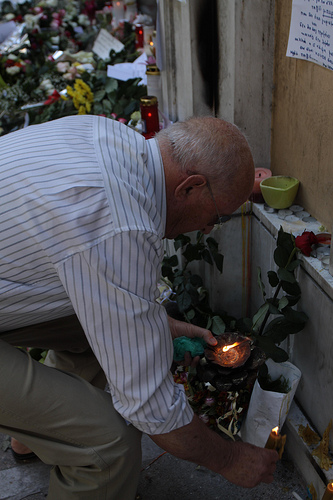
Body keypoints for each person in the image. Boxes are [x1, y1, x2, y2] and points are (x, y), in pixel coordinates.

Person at [0, 115, 278, 499]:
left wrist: (157, 328)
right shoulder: (120, 225)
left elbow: (106, 296)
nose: (209, 229)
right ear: (192, 186)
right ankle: (72, 447)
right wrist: (229, 458)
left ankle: (33, 434)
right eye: (218, 217)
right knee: (108, 445)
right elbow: (151, 407)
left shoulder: (110, 136)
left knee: (105, 339)